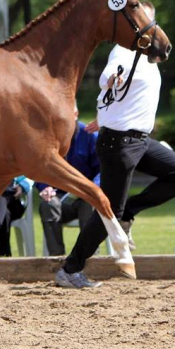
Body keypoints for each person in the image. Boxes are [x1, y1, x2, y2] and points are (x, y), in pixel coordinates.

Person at [56, 1, 175, 288]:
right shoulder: (125, 50)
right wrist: (111, 81)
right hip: (119, 145)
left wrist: (103, 116)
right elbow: (110, 77)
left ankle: (129, 212)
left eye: (149, 19)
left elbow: (126, 99)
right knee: (109, 213)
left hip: (140, 141)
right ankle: (71, 269)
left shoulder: (148, 56)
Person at [36, 104, 99, 256]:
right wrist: (44, 187)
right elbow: (39, 168)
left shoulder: (90, 136)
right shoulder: (47, 138)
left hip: (85, 196)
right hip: (60, 198)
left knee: (89, 204)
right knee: (48, 204)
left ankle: (89, 259)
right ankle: (56, 260)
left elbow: (102, 171)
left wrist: (92, 188)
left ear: (76, 113)